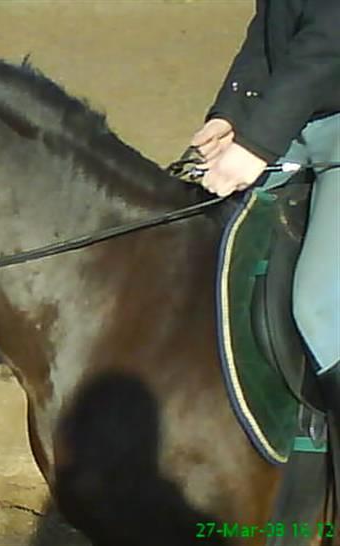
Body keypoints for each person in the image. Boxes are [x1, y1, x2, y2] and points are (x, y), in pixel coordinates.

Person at [190, 0, 339, 482]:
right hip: (303, 120)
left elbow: (327, 43)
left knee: (318, 308)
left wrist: (256, 145)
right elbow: (268, 32)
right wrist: (231, 112)